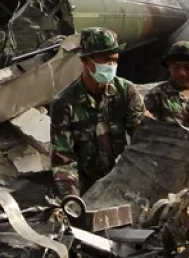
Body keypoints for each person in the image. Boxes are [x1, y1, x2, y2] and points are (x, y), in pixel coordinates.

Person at [50, 27, 146, 197]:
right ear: (86, 60)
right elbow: (64, 158)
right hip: (86, 188)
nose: (111, 66)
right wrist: (72, 199)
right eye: (106, 60)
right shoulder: (65, 102)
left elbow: (141, 142)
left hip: (123, 184)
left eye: (115, 60)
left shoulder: (127, 93)